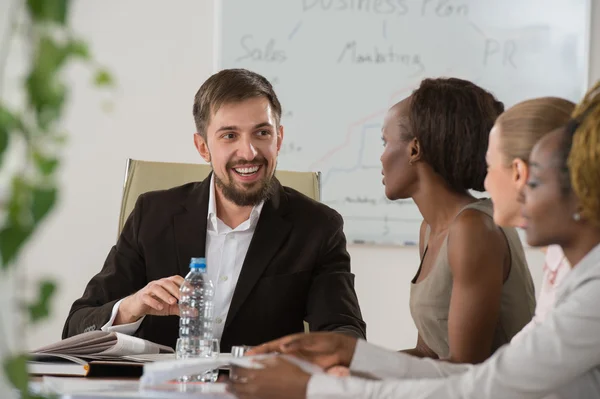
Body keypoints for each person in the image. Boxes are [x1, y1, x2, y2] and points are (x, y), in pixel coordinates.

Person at [229, 81, 600, 399]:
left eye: (530, 180)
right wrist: (349, 355)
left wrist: (320, 387)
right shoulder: (570, 271)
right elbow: (458, 370)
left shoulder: (481, 232)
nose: (489, 184)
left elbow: (480, 382)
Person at [62, 68, 366, 352]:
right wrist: (132, 306)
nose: (248, 152)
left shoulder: (318, 226)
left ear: (279, 138)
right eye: (229, 136)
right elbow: (76, 327)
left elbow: (343, 329)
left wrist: (310, 358)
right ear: (203, 147)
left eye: (262, 133)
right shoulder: (152, 214)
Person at [382, 78, 535, 364]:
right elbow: (428, 354)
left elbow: (464, 371)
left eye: (385, 141)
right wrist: (345, 369)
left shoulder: (473, 229)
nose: (381, 157)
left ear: (415, 149)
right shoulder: (430, 229)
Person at [483, 96, 575, 340]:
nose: (485, 182)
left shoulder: (579, 273)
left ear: (518, 173)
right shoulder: (560, 259)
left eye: (489, 166)